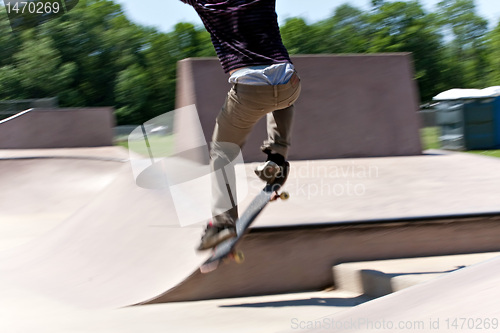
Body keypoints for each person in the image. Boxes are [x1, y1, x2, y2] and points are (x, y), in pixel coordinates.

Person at [179, 0, 301, 251]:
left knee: (223, 151)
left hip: (249, 90)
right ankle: (276, 158)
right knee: (281, 99)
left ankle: (223, 223)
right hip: (290, 83)